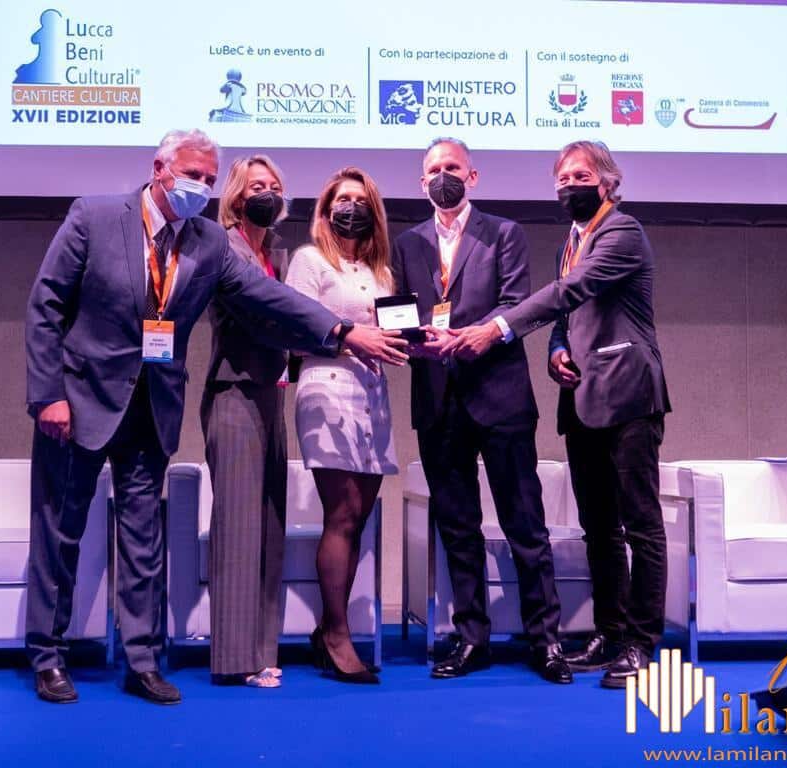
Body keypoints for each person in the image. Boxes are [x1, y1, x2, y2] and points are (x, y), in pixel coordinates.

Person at [24, 130, 407, 705]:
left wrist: (342, 331)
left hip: (152, 405)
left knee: (143, 541)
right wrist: (47, 394)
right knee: (60, 531)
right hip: (78, 403)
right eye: (192, 176)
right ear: (159, 168)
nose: (200, 188)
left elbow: (267, 296)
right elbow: (45, 306)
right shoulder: (94, 217)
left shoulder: (207, 242)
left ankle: (141, 661)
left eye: (207, 179)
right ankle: (48, 657)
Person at [445, 140, 671, 689]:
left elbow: (572, 290)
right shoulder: (571, 241)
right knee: (599, 527)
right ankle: (610, 632)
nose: (569, 186)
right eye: (562, 178)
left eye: (581, 176)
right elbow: (568, 318)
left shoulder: (621, 231)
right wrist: (556, 350)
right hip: (583, 397)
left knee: (640, 525)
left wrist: (498, 327)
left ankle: (642, 642)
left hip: (629, 395)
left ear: (608, 182)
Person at [391, 138, 571, 684]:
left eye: (452, 167)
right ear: (421, 183)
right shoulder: (408, 243)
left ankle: (545, 641)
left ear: (472, 176)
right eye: (433, 170)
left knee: (525, 523)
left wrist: (476, 336)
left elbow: (516, 303)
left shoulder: (503, 233)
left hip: (500, 395)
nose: (442, 176)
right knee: (458, 526)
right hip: (437, 398)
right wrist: (414, 340)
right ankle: (472, 638)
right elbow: (399, 311)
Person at [284, 167, 405, 685]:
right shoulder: (309, 260)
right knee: (341, 513)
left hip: (373, 394)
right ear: (326, 209)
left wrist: (415, 341)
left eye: (360, 200)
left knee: (359, 518)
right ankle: (336, 633)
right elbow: (293, 328)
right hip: (326, 390)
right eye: (342, 199)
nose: (350, 208)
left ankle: (326, 631)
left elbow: (391, 331)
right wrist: (353, 338)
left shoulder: (382, 271)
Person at [202, 155, 294, 688]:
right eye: (257, 185)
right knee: (238, 527)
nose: (267, 193)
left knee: (269, 525)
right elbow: (265, 314)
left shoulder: (275, 255)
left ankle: (263, 651)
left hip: (271, 393)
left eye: (274, 186)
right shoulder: (224, 247)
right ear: (236, 197)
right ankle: (235, 658)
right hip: (233, 390)